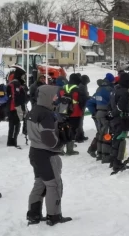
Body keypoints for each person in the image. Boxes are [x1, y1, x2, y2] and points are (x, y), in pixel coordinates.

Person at [26, 84, 72, 226]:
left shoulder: (34, 111)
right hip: (47, 154)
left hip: (34, 152)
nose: (56, 98)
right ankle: (54, 215)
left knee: (40, 183)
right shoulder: (45, 115)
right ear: (46, 96)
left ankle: (33, 214)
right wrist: (60, 143)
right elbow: (49, 140)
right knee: (53, 185)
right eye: (54, 95)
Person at [108, 72, 129, 171]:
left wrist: (111, 113)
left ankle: (112, 160)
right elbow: (121, 106)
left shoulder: (114, 90)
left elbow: (110, 104)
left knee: (115, 139)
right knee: (120, 140)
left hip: (114, 119)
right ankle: (117, 163)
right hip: (122, 119)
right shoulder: (124, 92)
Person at [87, 73, 114, 159]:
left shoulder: (99, 89)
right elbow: (113, 102)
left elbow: (90, 102)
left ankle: (96, 151)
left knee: (100, 133)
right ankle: (104, 155)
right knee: (106, 133)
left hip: (98, 114)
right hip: (106, 113)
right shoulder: (110, 89)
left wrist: (94, 112)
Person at [57, 73, 84, 156]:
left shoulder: (62, 88)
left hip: (63, 112)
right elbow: (82, 102)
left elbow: (58, 99)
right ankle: (70, 150)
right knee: (73, 130)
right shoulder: (78, 89)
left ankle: (60, 149)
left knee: (62, 130)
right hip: (75, 113)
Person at [6, 78, 26, 148]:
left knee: (11, 126)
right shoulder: (20, 88)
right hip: (17, 108)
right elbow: (23, 100)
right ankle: (14, 142)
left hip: (10, 108)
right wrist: (23, 110)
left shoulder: (8, 87)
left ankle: (9, 141)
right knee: (16, 126)